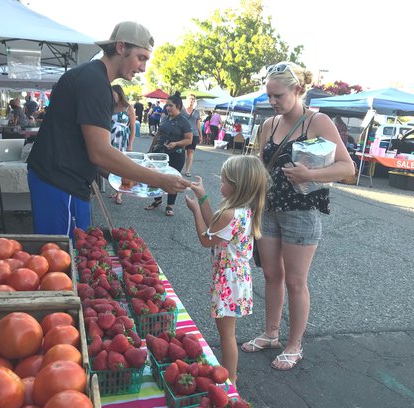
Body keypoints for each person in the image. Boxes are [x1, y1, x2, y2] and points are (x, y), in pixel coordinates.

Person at [241, 62, 355, 370]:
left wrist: (310, 173)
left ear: (298, 90)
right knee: (271, 276)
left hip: (301, 212)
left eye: (278, 95)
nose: (273, 102)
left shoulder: (317, 122)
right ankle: (271, 333)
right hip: (268, 208)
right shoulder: (269, 124)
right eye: (269, 96)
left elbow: (348, 167)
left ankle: (294, 345)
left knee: (295, 281)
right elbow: (262, 167)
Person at [26, 21, 190, 236]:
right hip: (59, 183)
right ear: (121, 47)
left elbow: (87, 146)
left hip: (66, 182)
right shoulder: (94, 82)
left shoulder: (95, 78)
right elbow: (100, 152)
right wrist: (159, 180)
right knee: (64, 257)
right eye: (141, 58)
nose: (143, 68)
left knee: (78, 252)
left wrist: (129, 173)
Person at [185, 155, 268, 385]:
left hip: (228, 280)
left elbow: (206, 238)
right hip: (237, 278)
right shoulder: (243, 210)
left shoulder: (229, 214)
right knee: (226, 332)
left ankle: (230, 378)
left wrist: (194, 210)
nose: (219, 184)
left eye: (223, 181)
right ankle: (229, 374)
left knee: (227, 335)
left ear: (236, 186)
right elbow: (215, 225)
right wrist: (202, 196)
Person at [145, 92, 192, 216]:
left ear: (178, 106)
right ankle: (157, 200)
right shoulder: (165, 118)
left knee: (173, 179)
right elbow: (158, 134)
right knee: (155, 176)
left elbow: (189, 140)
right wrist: (150, 150)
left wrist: (176, 143)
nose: (167, 108)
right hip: (159, 153)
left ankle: (170, 206)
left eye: (170, 105)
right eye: (167, 105)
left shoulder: (184, 121)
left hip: (176, 155)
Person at [110, 84, 136, 205]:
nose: (112, 97)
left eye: (114, 94)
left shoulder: (128, 107)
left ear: (119, 94)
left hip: (122, 139)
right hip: (111, 137)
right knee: (110, 164)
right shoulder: (110, 106)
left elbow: (133, 127)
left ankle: (119, 192)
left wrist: (130, 144)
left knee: (121, 165)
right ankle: (116, 189)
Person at [181, 93, 202, 177]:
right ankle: (178, 168)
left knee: (190, 152)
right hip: (183, 134)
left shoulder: (197, 112)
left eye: (193, 99)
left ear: (194, 101)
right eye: (190, 99)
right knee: (182, 151)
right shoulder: (182, 111)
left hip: (194, 134)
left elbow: (198, 124)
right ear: (187, 100)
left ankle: (187, 170)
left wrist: (200, 135)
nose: (191, 100)